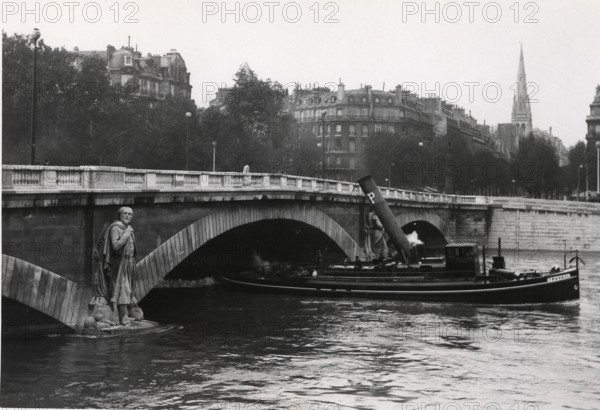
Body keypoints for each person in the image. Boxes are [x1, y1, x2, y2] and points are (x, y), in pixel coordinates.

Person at [90, 207, 139, 325]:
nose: (127, 216)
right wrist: (127, 234)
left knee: (129, 289)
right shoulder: (116, 228)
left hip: (129, 263)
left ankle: (124, 314)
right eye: (125, 214)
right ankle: (123, 317)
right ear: (120, 215)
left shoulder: (127, 228)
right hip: (119, 263)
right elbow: (116, 246)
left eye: (130, 214)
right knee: (122, 288)